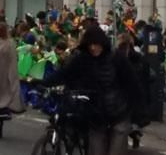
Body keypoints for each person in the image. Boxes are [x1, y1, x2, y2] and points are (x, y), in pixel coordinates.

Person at [42, 25, 141, 155]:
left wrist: (138, 114)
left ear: (103, 43)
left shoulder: (117, 58)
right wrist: (44, 83)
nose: (93, 48)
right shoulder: (82, 59)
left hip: (118, 112)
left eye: (96, 44)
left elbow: (132, 84)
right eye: (90, 45)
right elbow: (64, 73)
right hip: (96, 115)